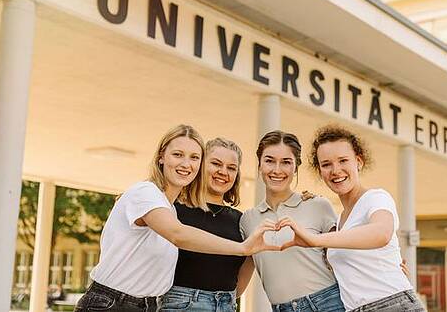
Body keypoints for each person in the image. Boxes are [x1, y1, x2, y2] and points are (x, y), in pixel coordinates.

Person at [74, 125, 280, 312]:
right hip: (112, 303)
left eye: (194, 157)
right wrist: (243, 247)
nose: (185, 164)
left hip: (148, 305)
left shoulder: (169, 208)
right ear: (161, 156)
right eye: (178, 155)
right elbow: (178, 234)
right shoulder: (145, 192)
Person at [278, 124, 425, 312]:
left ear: (358, 162)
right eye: (326, 164)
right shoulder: (340, 221)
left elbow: (381, 232)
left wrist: (315, 239)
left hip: (391, 305)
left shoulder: (376, 198)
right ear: (320, 171)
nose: (335, 170)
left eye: (343, 160)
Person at [240, 130, 345, 312]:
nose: (277, 170)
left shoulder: (318, 205)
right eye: (269, 160)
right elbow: (239, 279)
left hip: (329, 304)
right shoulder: (247, 220)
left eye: (286, 162)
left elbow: (345, 258)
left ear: (296, 167)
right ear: (259, 165)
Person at [161, 137, 251, 312]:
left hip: (226, 305)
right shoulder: (173, 210)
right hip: (179, 305)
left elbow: (239, 284)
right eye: (216, 164)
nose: (223, 172)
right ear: (201, 165)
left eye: (231, 168)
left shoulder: (242, 220)